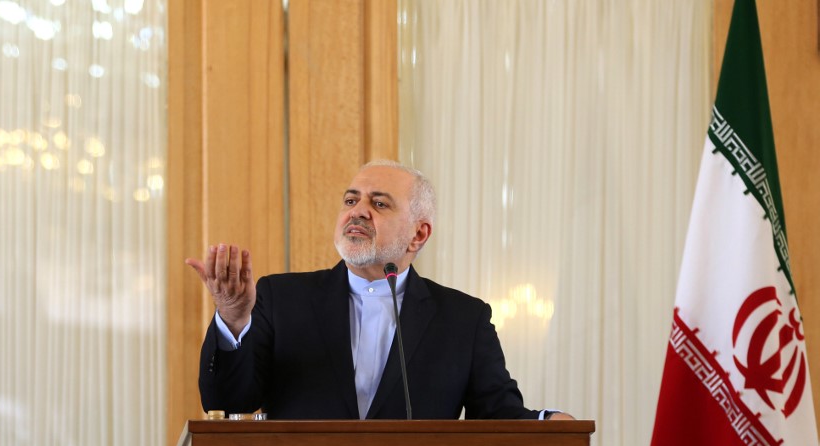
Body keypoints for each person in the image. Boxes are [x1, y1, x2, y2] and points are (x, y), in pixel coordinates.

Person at [186, 160, 574, 421]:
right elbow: (227, 401)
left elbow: (499, 416)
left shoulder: (463, 319)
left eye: (380, 203)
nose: (357, 211)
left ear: (418, 234)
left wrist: (547, 422)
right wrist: (234, 321)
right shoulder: (281, 298)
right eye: (351, 200)